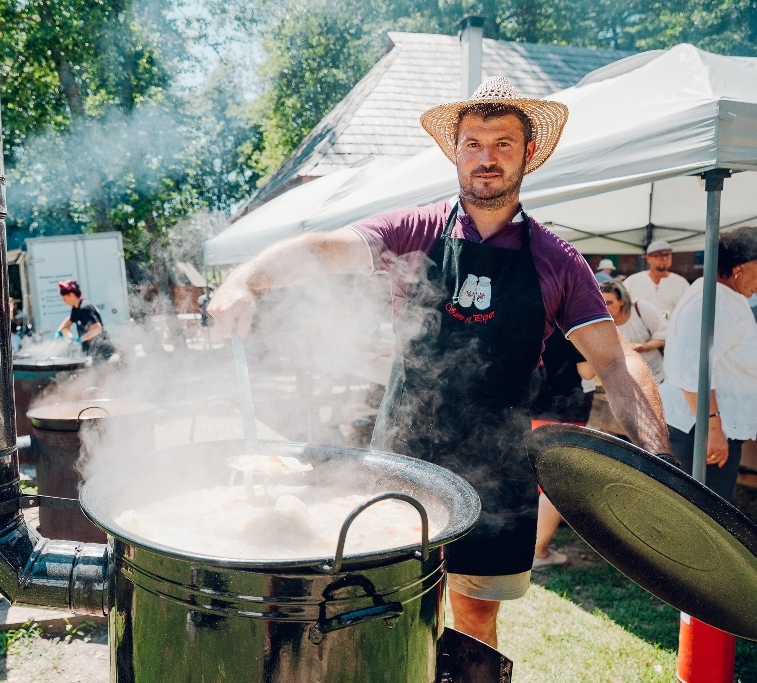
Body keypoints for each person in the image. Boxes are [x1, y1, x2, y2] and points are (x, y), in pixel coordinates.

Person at [208, 76, 669, 648]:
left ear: (528, 154)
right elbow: (327, 248)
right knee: (385, 616)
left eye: (503, 143)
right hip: (404, 458)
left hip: (498, 468)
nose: (486, 157)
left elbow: (617, 361)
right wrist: (246, 279)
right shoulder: (415, 229)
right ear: (455, 152)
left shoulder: (560, 261)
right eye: (473, 142)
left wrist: (658, 465)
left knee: (475, 625)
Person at [660, 226, 757, 502]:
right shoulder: (717, 302)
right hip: (699, 433)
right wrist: (712, 430)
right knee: (701, 515)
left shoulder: (723, 296)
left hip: (704, 429)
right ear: (740, 268)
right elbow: (691, 370)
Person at [530, 331, 596, 569]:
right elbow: (587, 372)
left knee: (538, 480)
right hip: (563, 409)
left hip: (532, 404)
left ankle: (531, 547)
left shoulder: (535, 317)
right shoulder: (574, 329)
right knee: (553, 485)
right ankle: (538, 552)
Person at [599, 280, 667, 382]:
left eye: (609, 303)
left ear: (622, 301)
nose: (605, 307)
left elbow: (664, 334)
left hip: (657, 374)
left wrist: (646, 346)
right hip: (626, 380)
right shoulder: (602, 323)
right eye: (601, 303)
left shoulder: (640, 308)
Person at [56, 280, 120, 364]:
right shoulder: (76, 308)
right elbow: (69, 320)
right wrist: (59, 331)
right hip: (91, 352)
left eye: (65, 299)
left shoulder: (85, 308)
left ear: (71, 295)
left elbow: (97, 329)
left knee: (101, 376)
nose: (64, 302)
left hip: (102, 351)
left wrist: (78, 340)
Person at [623, 240, 690, 317]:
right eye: (658, 255)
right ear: (648, 258)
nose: (663, 259)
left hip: (669, 327)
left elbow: (688, 310)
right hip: (640, 327)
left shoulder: (681, 283)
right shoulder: (633, 281)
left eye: (667, 255)